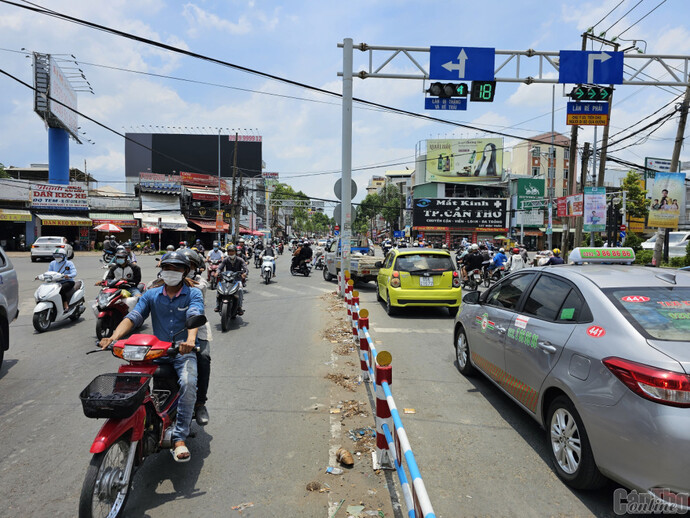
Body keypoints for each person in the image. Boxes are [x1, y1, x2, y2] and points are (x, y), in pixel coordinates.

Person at [99, 251, 204, 462]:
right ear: (161, 270)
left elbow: (194, 315)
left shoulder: (193, 293)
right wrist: (113, 337)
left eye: (176, 269)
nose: (171, 272)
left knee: (189, 382)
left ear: (184, 272)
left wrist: (190, 341)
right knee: (129, 385)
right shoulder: (151, 294)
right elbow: (134, 317)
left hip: (181, 352)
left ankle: (179, 438)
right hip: (156, 353)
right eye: (168, 268)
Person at [216, 245, 247, 314]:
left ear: (235, 252)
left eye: (232, 251)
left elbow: (245, 269)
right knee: (219, 288)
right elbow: (220, 267)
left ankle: (239, 307)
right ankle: (217, 305)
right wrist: (217, 272)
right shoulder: (226, 259)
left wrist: (244, 273)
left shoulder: (240, 260)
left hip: (237, 279)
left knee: (240, 290)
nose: (231, 253)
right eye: (229, 251)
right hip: (227, 279)